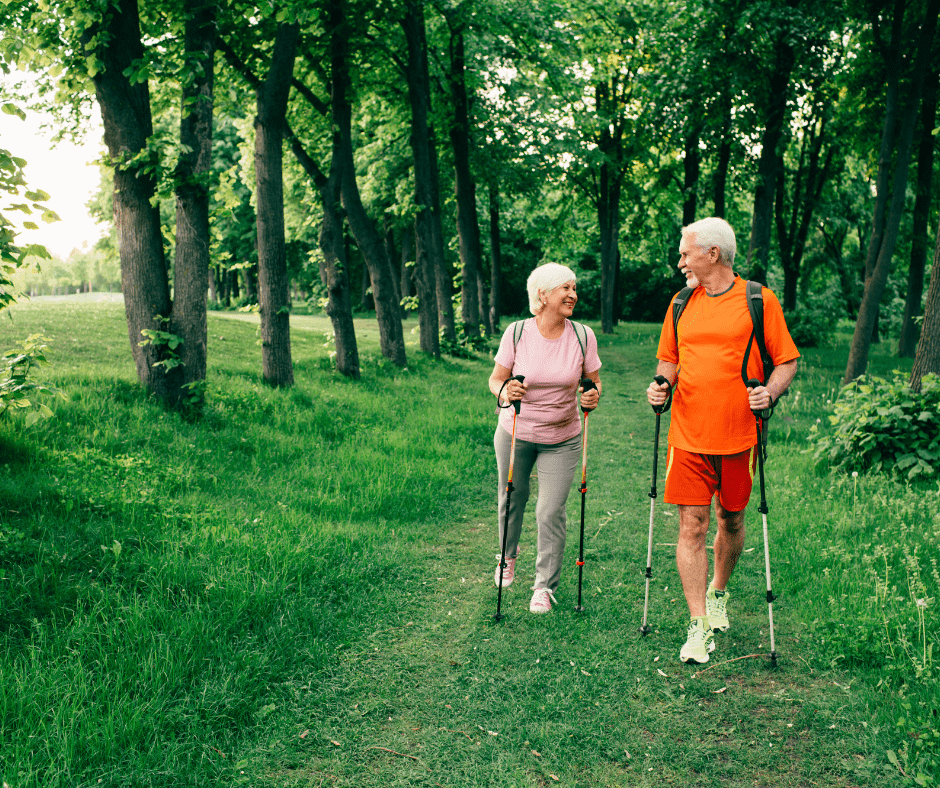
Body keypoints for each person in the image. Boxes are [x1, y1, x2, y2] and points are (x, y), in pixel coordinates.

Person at [646, 217, 799, 663]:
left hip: (738, 438)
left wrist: (769, 392)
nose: (680, 262)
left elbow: (787, 360)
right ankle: (697, 626)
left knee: (730, 521)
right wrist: (660, 386)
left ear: (713, 254)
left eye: (685, 253)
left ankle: (718, 592)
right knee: (691, 526)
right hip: (688, 436)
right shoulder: (680, 303)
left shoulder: (758, 300)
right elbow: (668, 359)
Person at [488, 263, 602, 613]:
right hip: (516, 431)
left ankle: (544, 587)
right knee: (512, 499)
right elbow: (496, 380)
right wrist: (506, 391)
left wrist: (592, 395)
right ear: (543, 294)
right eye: (565, 289)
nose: (573, 295)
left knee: (550, 510)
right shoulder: (518, 332)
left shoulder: (583, 336)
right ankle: (507, 555)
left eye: (574, 288)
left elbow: (594, 382)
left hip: (563, 436)